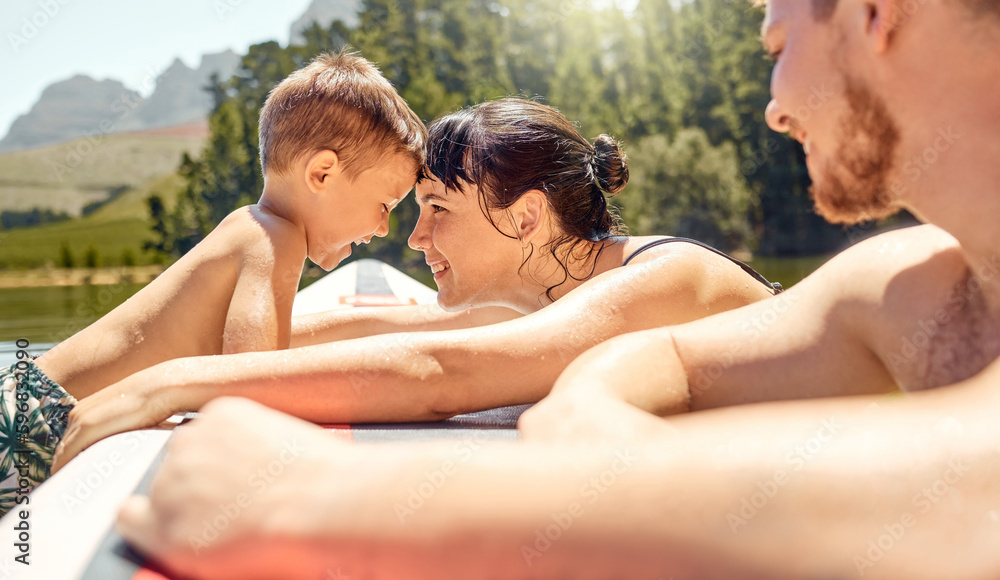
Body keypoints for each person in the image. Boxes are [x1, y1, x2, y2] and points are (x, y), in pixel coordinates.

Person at [116, 0, 1000, 578]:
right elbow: (617, 360)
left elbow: (452, 365)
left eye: (775, 46)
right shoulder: (900, 283)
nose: (771, 103)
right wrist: (589, 410)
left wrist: (309, 491)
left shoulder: (670, 275)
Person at [50, 97, 780, 469]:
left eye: (436, 210)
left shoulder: (665, 280)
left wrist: (176, 383)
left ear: (526, 218)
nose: (416, 236)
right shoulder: (555, 297)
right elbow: (386, 331)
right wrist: (151, 357)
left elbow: (438, 370)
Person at [0, 50, 425, 513]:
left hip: (27, 402)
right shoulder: (274, 238)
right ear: (321, 173)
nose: (384, 228)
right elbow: (252, 382)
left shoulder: (253, 229)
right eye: (385, 205)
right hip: (33, 420)